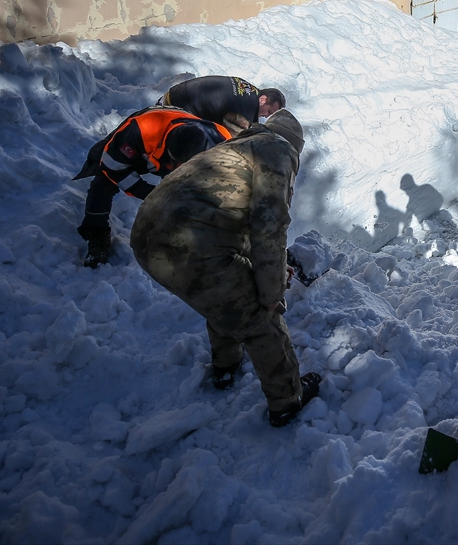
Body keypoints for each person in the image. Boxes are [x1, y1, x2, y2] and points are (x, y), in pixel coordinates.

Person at [130, 109, 321, 427]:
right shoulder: (278, 149)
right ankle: (288, 400)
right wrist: (272, 292)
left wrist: (266, 268)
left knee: (226, 293)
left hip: (147, 238)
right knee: (261, 318)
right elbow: (268, 225)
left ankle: (226, 367)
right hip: (192, 246)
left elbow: (224, 220)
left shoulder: (233, 149)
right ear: (294, 146)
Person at [73, 107, 237, 266]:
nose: (178, 168)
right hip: (149, 134)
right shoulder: (139, 131)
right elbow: (112, 166)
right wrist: (150, 193)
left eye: (183, 165)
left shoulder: (222, 144)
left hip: (187, 135)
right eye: (176, 163)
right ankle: (97, 235)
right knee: (102, 181)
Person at [158, 76, 286, 126]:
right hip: (174, 109)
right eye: (269, 111)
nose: (266, 116)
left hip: (174, 93)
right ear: (263, 99)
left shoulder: (248, 89)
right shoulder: (247, 108)